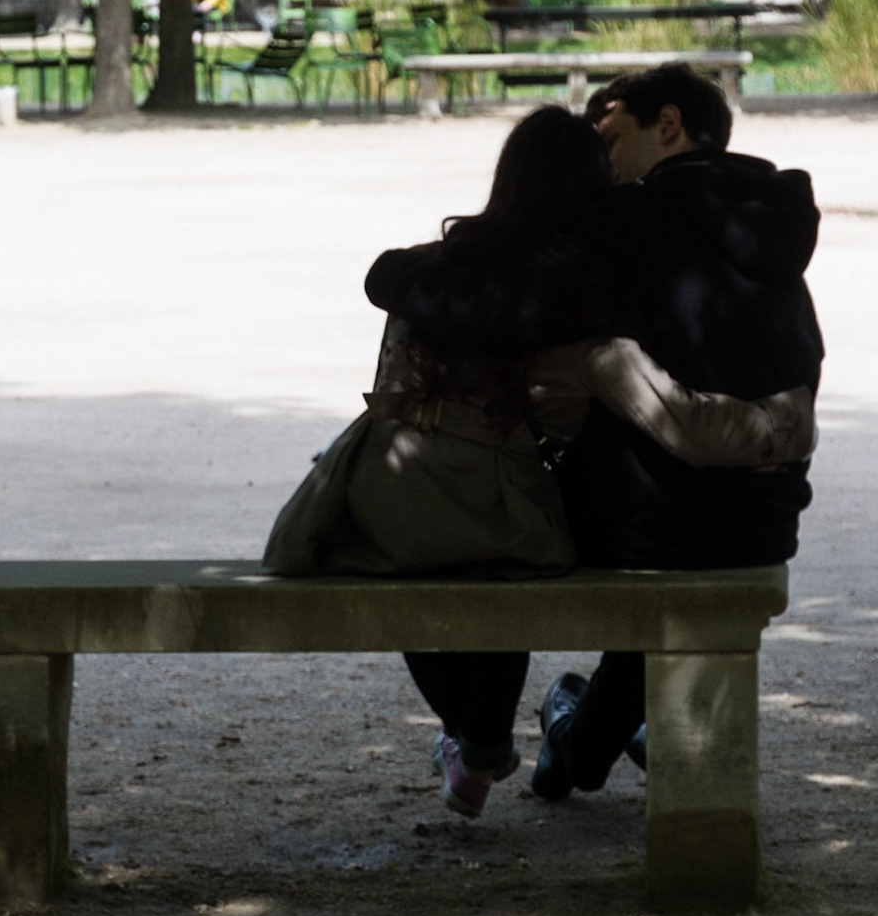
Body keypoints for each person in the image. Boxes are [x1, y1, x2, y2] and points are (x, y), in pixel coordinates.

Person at [271, 104, 816, 818]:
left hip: (386, 502)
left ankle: (474, 744)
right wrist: (786, 425)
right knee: (507, 574)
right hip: (503, 519)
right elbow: (685, 423)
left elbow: (395, 383)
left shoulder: (430, 279)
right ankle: (483, 741)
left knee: (415, 577)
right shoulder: (580, 320)